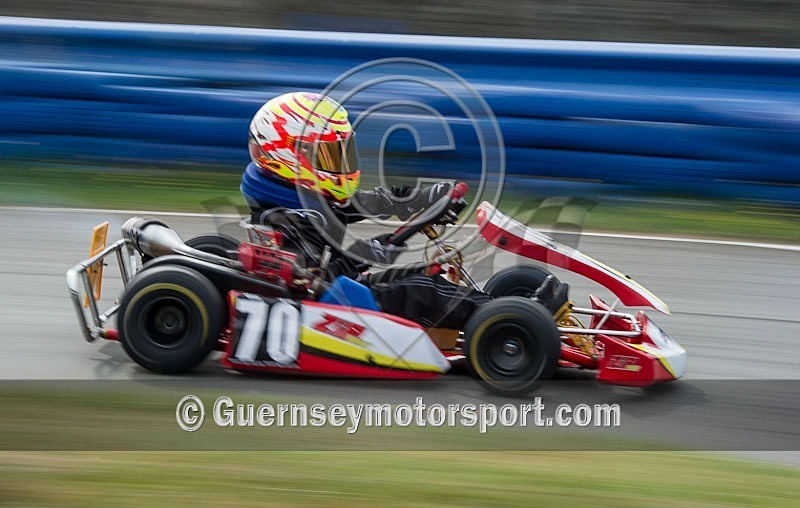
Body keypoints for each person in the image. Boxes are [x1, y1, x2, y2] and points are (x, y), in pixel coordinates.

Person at [241, 91, 491, 329]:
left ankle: (500, 309)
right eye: (326, 155)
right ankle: (501, 321)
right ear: (287, 156)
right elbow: (312, 281)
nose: (340, 163)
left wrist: (424, 198)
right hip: (322, 308)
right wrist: (373, 250)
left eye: (341, 152)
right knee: (422, 291)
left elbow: (370, 202)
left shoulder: (300, 198)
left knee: (424, 277)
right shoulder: (282, 217)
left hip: (340, 290)